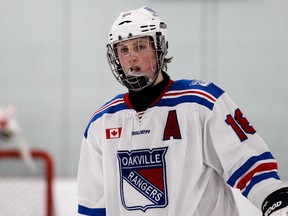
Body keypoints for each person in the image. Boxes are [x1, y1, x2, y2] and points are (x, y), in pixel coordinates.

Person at [77, 6, 288, 216]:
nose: (131, 57)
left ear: (159, 48)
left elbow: (248, 162)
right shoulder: (102, 122)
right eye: (123, 50)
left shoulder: (201, 104)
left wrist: (274, 199)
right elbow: (94, 206)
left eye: (140, 47)